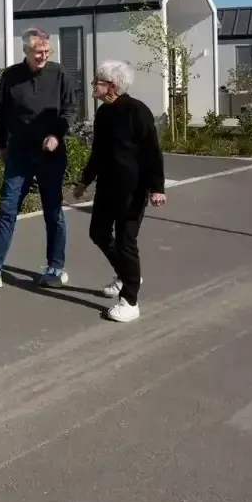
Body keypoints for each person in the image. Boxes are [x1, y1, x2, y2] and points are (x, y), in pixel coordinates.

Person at [0, 28, 78, 290]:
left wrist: (56, 134)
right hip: (19, 152)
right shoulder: (11, 77)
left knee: (52, 211)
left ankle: (55, 266)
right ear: (26, 52)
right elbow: (3, 112)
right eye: (38, 51)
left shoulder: (59, 74)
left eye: (46, 51)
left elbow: (70, 110)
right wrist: (2, 145)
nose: (43, 55)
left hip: (50, 153)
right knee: (7, 207)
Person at [71, 59, 166, 323]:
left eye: (96, 83)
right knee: (98, 232)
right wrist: (84, 181)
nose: (93, 87)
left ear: (111, 86)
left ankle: (130, 300)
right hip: (107, 188)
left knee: (126, 242)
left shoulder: (137, 111)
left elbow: (152, 152)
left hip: (133, 190)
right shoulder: (103, 114)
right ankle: (128, 274)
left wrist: (157, 187)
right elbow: (98, 153)